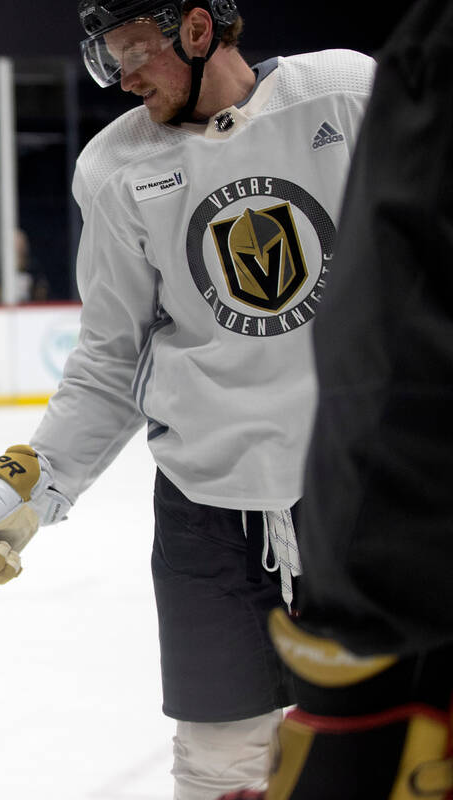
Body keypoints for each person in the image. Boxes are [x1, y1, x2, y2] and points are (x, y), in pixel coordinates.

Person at [0, 3, 375, 798]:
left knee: (390, 737)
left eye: (134, 51)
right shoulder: (115, 166)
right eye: (109, 58)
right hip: (208, 517)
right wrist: (35, 478)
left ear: (199, 30)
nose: (121, 78)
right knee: (219, 765)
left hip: (360, 497)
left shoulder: (344, 94)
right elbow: (108, 357)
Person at [216, 2, 453, 798]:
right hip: (226, 505)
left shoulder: (382, 75)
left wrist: (361, 680)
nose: (122, 76)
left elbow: (392, 360)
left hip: (394, 585)